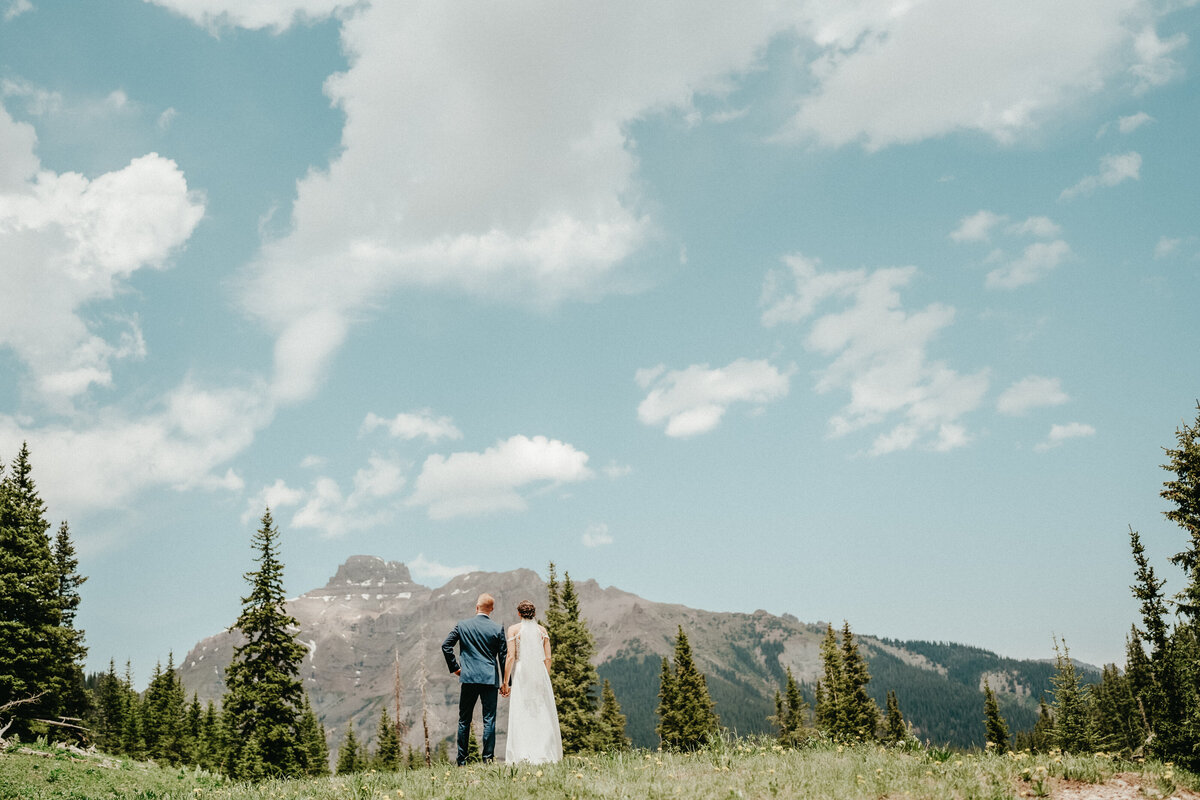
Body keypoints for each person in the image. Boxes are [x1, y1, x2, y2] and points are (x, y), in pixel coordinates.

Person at [442, 593, 508, 765]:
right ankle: (487, 760)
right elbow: (503, 656)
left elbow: (446, 645)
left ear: (476, 607)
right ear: (491, 609)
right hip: (489, 679)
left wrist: (456, 668)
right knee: (489, 720)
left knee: (464, 720)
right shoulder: (497, 628)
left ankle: (462, 761)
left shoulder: (462, 625)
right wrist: (505, 682)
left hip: (469, 678)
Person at [502, 600, 563, 764]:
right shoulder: (542, 631)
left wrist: (506, 681)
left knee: (522, 710)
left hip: (522, 673)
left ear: (519, 613)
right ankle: (544, 752)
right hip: (540, 673)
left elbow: (511, 657)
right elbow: (548, 657)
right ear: (534, 614)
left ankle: (523, 753)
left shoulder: (513, 630)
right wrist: (544, 676)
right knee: (541, 710)